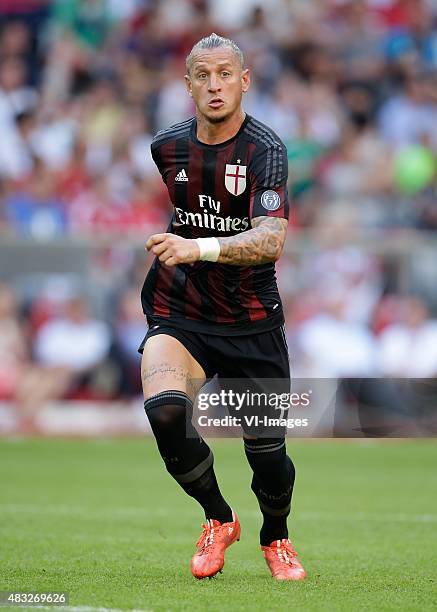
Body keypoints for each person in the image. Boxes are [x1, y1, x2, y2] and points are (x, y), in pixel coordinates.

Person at [139, 33, 306, 582]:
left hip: (252, 322)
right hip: (181, 309)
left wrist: (200, 246)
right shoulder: (167, 146)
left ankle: (275, 535)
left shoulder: (267, 151)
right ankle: (218, 518)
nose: (215, 86)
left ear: (244, 80)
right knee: (165, 411)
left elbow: (271, 240)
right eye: (203, 76)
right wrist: (181, 250)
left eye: (225, 75)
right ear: (187, 85)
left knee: (270, 463)